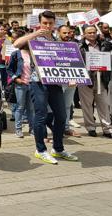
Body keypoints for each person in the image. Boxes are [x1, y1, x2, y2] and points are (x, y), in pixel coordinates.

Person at [13, 10, 79, 164]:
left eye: (50, 23)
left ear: (54, 23)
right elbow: (16, 44)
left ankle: (58, 148)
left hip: (54, 82)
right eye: (44, 23)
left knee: (62, 116)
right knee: (40, 115)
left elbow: (62, 61)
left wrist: (69, 78)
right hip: (38, 82)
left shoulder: (56, 40)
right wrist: (36, 34)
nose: (47, 26)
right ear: (40, 23)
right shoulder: (33, 39)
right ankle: (40, 150)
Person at [78, 25, 112, 139]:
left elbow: (110, 48)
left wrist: (103, 39)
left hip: (102, 79)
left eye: (94, 32)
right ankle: (91, 128)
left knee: (104, 104)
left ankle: (107, 129)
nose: (92, 34)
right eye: (89, 32)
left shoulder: (104, 44)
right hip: (86, 79)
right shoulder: (79, 46)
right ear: (84, 34)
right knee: (87, 105)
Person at [7, 35, 34, 138]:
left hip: (32, 84)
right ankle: (18, 129)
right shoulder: (16, 54)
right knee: (20, 107)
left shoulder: (33, 54)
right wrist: (15, 78)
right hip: (20, 84)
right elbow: (9, 69)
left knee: (31, 109)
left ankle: (32, 129)